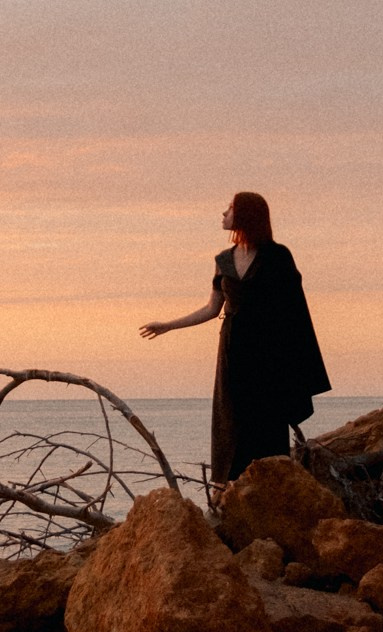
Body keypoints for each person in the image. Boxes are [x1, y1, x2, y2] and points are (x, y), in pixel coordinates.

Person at [139, 191, 331, 486]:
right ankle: (226, 490)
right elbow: (212, 308)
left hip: (268, 354)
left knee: (266, 422)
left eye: (229, 209)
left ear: (245, 215)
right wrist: (168, 325)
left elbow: (293, 310)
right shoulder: (223, 261)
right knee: (231, 421)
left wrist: (291, 365)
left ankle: (270, 489)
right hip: (232, 350)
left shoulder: (278, 256)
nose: (223, 214)